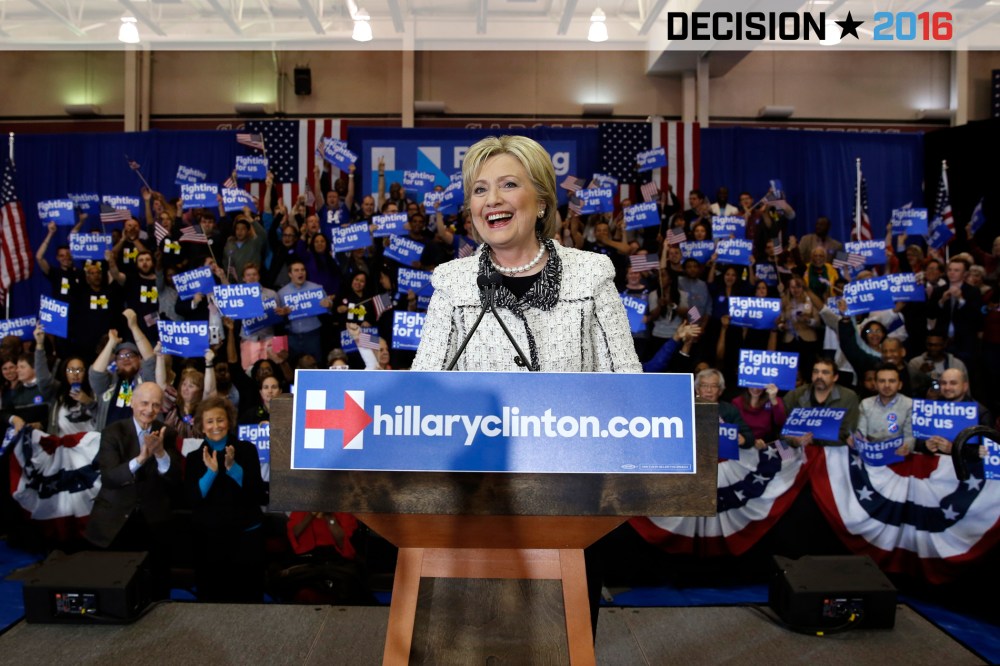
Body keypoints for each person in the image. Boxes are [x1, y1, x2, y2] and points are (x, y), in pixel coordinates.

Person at [411, 135, 640, 373]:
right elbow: (424, 387)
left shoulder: (592, 274)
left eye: (509, 184)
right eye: (480, 189)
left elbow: (626, 383)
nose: (492, 200)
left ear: (541, 201)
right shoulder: (451, 282)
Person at [85, 382, 180, 599]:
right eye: (144, 403)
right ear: (133, 403)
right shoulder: (112, 432)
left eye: (155, 405)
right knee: (113, 587)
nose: (149, 410)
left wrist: (160, 453)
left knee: (156, 589)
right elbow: (110, 478)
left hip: (153, 521)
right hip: (116, 519)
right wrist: (141, 459)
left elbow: (174, 478)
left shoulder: (168, 433)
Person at [184, 395, 267, 602]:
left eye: (220, 420)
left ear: (229, 421)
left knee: (248, 598)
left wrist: (233, 468)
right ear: (202, 427)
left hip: (245, 539)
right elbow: (193, 499)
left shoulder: (247, 450)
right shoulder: (194, 458)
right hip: (209, 542)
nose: (216, 426)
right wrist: (211, 473)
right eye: (210, 421)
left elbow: (257, 494)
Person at [782, 356, 859, 447]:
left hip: (834, 452)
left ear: (835, 377)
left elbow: (847, 433)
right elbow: (781, 427)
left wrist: (814, 439)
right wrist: (794, 441)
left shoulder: (848, 397)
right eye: (815, 372)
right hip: (799, 451)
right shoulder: (795, 394)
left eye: (825, 372)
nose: (819, 376)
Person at [853, 363, 913, 457]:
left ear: (900, 385)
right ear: (876, 385)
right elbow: (861, 434)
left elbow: (909, 437)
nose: (887, 385)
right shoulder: (865, 404)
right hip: (872, 455)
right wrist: (856, 440)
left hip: (899, 456)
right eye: (882, 381)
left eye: (892, 381)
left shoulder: (910, 405)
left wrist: (906, 448)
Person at [732, 384, 787, 449]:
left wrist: (773, 400)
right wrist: (751, 441)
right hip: (743, 443)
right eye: (752, 384)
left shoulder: (774, 399)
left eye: (759, 385)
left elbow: (781, 422)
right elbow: (734, 427)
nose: (756, 389)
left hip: (766, 443)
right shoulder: (737, 402)